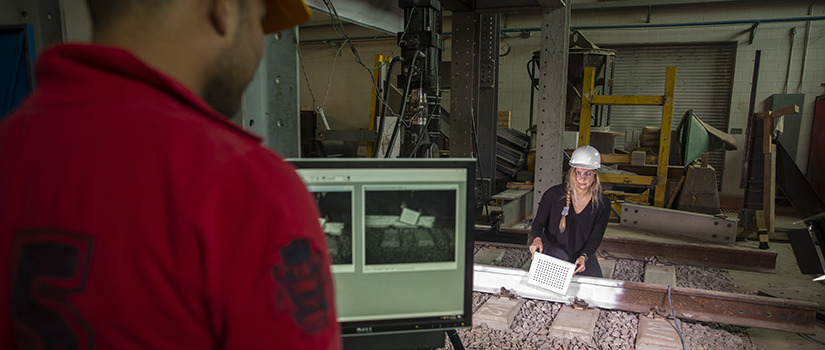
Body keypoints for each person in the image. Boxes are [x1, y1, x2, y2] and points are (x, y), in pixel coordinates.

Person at [0, 0, 341, 349]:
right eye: (260, 19)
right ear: (222, 9)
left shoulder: (12, 147)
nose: (259, 45)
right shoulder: (245, 186)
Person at [529, 145, 610, 278]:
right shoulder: (553, 195)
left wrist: (585, 256)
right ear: (572, 172)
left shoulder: (602, 204)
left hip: (580, 253)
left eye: (587, 173)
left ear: (595, 175)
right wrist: (537, 239)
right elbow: (538, 223)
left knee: (595, 285)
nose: (582, 179)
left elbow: (596, 237)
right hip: (553, 250)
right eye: (578, 172)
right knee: (554, 284)